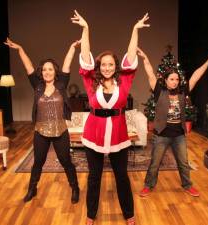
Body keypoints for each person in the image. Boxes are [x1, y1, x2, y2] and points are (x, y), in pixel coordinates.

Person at [71, 10, 149, 225]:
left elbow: (131, 57)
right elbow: (85, 57)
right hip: (93, 135)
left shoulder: (124, 80)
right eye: (103, 64)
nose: (106, 67)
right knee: (94, 178)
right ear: (99, 67)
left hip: (118, 135)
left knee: (122, 177)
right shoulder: (90, 80)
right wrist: (85, 29)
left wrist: (134, 30)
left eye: (110, 64)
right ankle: (90, 215)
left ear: (116, 67)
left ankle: (129, 214)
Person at [4, 37, 81, 203]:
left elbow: (67, 63)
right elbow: (28, 66)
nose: (47, 72)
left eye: (50, 69)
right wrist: (19, 49)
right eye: (44, 69)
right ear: (42, 72)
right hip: (41, 132)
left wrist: (72, 47)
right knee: (38, 161)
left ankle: (75, 188)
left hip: (60, 131)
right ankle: (32, 189)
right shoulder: (37, 85)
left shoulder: (61, 84)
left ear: (55, 72)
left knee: (66, 161)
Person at [137, 47, 208, 197]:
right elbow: (149, 72)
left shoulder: (182, 91)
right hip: (161, 134)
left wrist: (207, 62)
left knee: (183, 163)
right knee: (155, 163)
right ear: (166, 80)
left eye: (177, 79)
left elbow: (195, 76)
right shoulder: (158, 90)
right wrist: (145, 58)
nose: (175, 82)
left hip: (179, 135)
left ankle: (187, 185)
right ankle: (148, 185)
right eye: (172, 79)